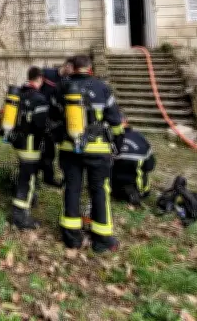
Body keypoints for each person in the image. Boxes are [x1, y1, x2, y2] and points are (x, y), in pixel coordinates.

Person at [57, 54, 123, 253]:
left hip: (69, 149)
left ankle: (71, 237)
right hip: (98, 149)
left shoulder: (61, 87)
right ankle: (102, 239)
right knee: (100, 190)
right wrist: (118, 142)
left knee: (72, 188)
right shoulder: (102, 87)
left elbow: (52, 117)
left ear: (73, 67)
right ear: (89, 67)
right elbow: (115, 120)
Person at [9, 66, 50, 230]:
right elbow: (41, 125)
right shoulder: (39, 98)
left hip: (18, 143)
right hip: (31, 145)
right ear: (39, 79)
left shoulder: (18, 94)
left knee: (24, 173)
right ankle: (20, 216)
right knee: (29, 179)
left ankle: (27, 201)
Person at [111, 122, 156, 205]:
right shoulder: (140, 138)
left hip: (114, 192)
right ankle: (134, 191)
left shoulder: (109, 140)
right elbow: (150, 166)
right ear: (126, 122)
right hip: (141, 192)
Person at [39, 64, 68, 187]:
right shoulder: (47, 73)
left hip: (54, 120)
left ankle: (48, 177)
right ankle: (36, 177)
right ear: (67, 65)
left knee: (50, 151)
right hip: (40, 115)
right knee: (40, 150)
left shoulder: (67, 80)